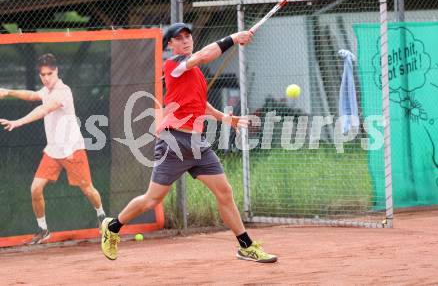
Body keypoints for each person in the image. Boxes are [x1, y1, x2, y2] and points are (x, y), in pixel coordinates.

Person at [100, 23, 277, 263]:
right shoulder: (173, 65)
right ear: (170, 45)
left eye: (188, 37)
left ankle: (246, 246)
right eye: (179, 38)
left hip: (197, 143)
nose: (185, 41)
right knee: (152, 200)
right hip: (173, 141)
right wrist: (235, 37)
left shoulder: (196, 74)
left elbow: (200, 102)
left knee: (224, 192)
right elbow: (204, 55)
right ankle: (112, 227)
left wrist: (226, 118)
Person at [0, 53, 106, 245]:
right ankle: (43, 230)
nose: (46, 78)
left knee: (87, 189)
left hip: (72, 150)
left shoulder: (62, 92)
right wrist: (8, 92)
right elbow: (33, 95)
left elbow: (43, 110)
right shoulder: (47, 90)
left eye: (49, 74)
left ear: (56, 71)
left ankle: (102, 218)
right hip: (53, 150)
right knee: (35, 189)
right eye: (43, 75)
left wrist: (18, 122)